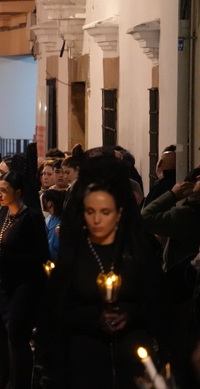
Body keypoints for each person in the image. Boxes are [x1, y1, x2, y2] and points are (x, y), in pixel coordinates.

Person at [45, 154, 163, 389]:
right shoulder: (77, 250)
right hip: (84, 361)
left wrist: (129, 314)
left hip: (132, 362)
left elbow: (159, 302)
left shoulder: (139, 246)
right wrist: (94, 319)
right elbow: (56, 310)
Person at [0, 170, 49, 389]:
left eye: (4, 191)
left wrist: (5, 257)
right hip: (6, 284)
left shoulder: (31, 217)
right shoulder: (3, 215)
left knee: (18, 335)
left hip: (26, 285)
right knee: (10, 336)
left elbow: (40, 256)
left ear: (18, 192)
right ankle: (10, 380)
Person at [140, 166, 200, 387]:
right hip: (188, 286)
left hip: (182, 289)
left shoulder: (186, 213)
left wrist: (173, 194)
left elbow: (144, 218)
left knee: (180, 352)